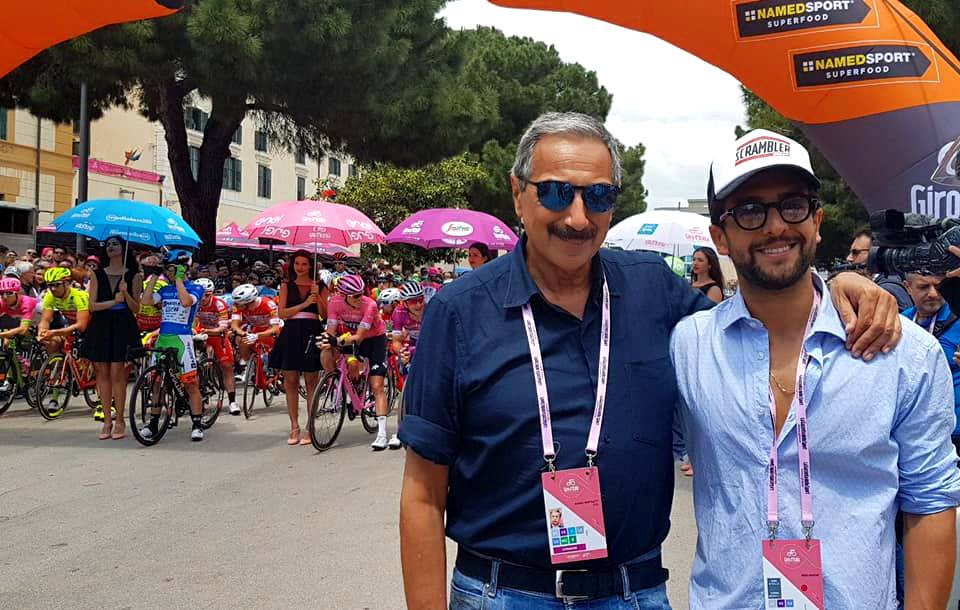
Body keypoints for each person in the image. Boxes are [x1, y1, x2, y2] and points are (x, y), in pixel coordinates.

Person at [397, 112, 900, 610]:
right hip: (503, 594)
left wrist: (834, 287)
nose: (577, 218)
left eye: (598, 196)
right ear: (517, 194)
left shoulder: (651, 288)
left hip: (632, 593)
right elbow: (422, 495)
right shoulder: (459, 313)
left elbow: (758, 318)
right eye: (555, 193)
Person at [670, 129, 959, 609]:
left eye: (793, 206)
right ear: (719, 236)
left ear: (817, 220)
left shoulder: (904, 353)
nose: (775, 226)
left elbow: (930, 502)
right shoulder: (689, 347)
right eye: (749, 211)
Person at [141, 250, 207, 441]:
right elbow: (145, 301)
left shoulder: (196, 288)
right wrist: (154, 275)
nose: (168, 273)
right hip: (163, 338)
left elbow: (186, 302)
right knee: (157, 384)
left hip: (182, 339)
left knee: (191, 384)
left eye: (172, 269)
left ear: (183, 268)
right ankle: (153, 423)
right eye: (167, 269)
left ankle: (197, 423)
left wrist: (179, 279)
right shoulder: (165, 290)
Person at [322, 273, 391, 451]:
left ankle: (382, 434)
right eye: (356, 296)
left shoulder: (370, 305)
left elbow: (359, 337)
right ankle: (338, 385)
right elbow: (331, 331)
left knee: (377, 386)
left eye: (362, 293)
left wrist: (335, 340)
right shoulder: (334, 302)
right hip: (349, 338)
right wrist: (326, 341)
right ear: (344, 295)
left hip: (374, 339)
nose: (360, 298)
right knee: (326, 353)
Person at [85, 236, 141, 438]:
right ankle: (107, 421)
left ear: (123, 249)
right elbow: (92, 306)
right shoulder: (96, 274)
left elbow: (136, 308)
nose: (111, 247)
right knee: (102, 372)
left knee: (118, 372)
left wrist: (125, 296)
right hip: (101, 324)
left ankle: (120, 421)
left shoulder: (134, 275)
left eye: (115, 244)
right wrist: (113, 302)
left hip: (123, 325)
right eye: (108, 244)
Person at [903, 272, 960, 454]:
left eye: (938, 286)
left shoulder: (958, 315)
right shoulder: (899, 322)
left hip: (956, 430)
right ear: (907, 287)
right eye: (923, 287)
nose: (933, 294)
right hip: (917, 432)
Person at [273, 251, 326, 445]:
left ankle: (310, 427)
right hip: (291, 332)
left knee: (312, 381)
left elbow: (325, 314)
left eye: (304, 264)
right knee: (291, 380)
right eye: (297, 264)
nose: (300, 267)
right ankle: (294, 425)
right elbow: (282, 313)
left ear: (310, 266)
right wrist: (304, 304)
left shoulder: (320, 286)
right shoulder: (286, 285)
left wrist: (317, 297)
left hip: (312, 331)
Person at [386, 281, 425, 450]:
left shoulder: (432, 309)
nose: (418, 305)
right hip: (414, 342)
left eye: (420, 299)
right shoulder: (399, 312)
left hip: (432, 340)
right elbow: (396, 341)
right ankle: (401, 428)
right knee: (404, 365)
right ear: (405, 303)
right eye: (413, 301)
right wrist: (401, 351)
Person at [194, 278, 239, 416]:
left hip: (217, 334)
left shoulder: (219, 304)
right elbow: (192, 322)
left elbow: (223, 327)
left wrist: (209, 331)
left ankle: (232, 402)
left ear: (212, 293)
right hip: (201, 333)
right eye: (200, 295)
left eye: (207, 295)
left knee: (226, 366)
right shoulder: (193, 303)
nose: (203, 298)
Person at [846, 229, 913, 312]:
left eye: (855, 252)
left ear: (875, 253)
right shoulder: (885, 283)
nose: (849, 258)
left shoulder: (887, 290)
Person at [230, 283, 281, 377]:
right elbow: (234, 325)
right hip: (257, 328)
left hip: (272, 328)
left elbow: (275, 328)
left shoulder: (268, 304)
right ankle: (251, 366)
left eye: (238, 304)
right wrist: (243, 333)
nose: (235, 305)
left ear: (249, 302)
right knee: (244, 342)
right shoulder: (238, 305)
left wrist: (257, 336)